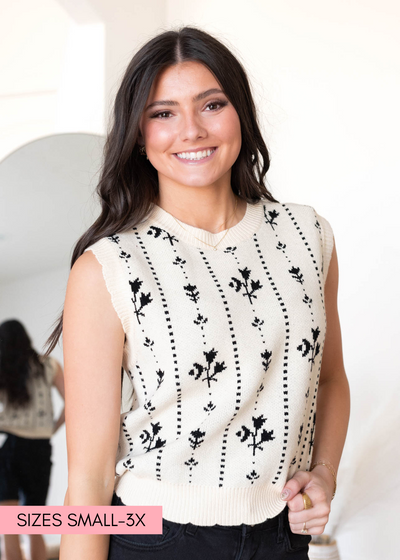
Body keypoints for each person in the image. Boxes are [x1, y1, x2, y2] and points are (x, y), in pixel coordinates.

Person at [45, 26, 350, 560]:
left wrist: (322, 473)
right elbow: (89, 482)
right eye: (163, 113)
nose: (190, 130)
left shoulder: (309, 236)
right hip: (158, 539)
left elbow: (328, 379)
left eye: (211, 104)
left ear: (241, 115)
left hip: (283, 538)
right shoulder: (107, 268)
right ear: (138, 133)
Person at [0, 319, 65, 560]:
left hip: (10, 447)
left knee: (9, 528)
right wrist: (51, 429)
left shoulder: (4, 366)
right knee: (34, 525)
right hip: (39, 449)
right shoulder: (48, 365)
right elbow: (72, 402)